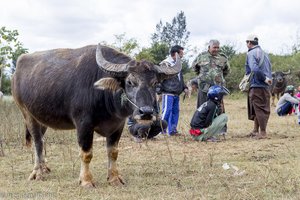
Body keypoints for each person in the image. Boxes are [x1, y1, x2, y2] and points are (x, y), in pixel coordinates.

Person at [192, 39, 230, 135]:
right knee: (202, 107)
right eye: (214, 47)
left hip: (217, 89)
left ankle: (221, 129)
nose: (216, 49)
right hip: (204, 88)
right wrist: (203, 77)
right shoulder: (201, 57)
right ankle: (201, 129)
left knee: (220, 108)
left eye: (218, 47)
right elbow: (195, 68)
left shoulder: (223, 58)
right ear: (209, 47)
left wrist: (218, 78)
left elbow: (226, 71)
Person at [245, 34, 273, 139]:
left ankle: (263, 133)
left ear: (249, 43)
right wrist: (267, 80)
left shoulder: (251, 53)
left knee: (260, 108)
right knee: (258, 107)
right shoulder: (265, 54)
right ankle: (255, 130)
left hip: (257, 84)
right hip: (266, 86)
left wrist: (264, 79)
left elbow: (254, 69)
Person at [159, 45, 189, 136]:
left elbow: (180, 78)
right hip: (168, 92)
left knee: (175, 112)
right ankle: (161, 130)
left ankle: (172, 131)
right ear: (176, 53)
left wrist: (184, 87)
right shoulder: (165, 64)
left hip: (176, 92)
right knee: (167, 111)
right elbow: (160, 79)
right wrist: (159, 91)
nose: (182, 55)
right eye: (181, 53)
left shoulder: (178, 63)